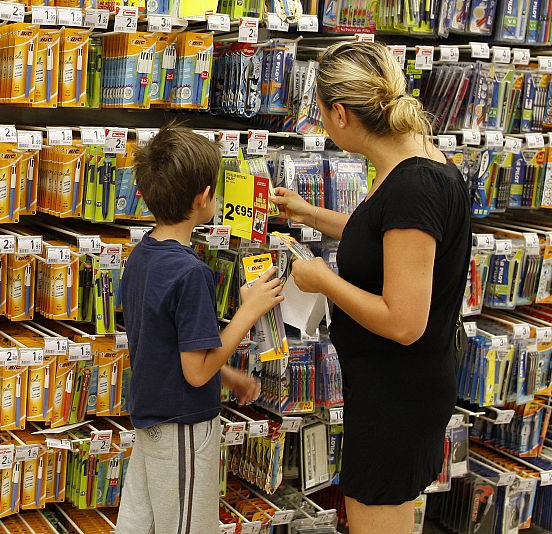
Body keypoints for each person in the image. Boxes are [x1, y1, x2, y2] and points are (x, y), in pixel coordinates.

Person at [272, 41, 471, 534]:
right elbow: (387, 238)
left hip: (397, 399)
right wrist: (312, 214)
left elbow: (404, 323)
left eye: (319, 114)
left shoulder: (413, 188)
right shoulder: (419, 161)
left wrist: (324, 281)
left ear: (340, 114)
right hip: (398, 390)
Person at [115, 124, 284, 534]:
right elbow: (194, 372)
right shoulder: (192, 274)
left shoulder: (141, 257)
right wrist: (249, 311)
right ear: (204, 197)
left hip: (152, 424)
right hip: (184, 431)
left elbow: (167, 345)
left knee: (139, 525)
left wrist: (229, 376)